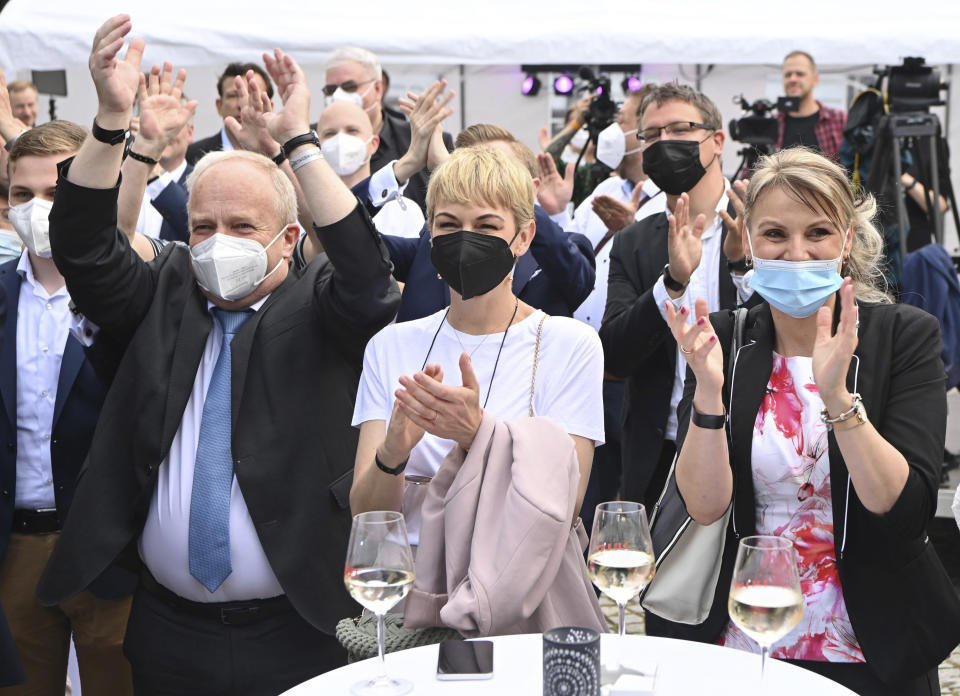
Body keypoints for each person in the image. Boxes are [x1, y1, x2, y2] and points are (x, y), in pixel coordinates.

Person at [36, 17, 399, 695]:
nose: (216, 242)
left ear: (288, 238)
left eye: (241, 228)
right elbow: (83, 248)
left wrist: (298, 141)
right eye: (203, 226)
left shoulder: (320, 305)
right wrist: (115, 123)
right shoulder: (165, 290)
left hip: (300, 627)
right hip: (169, 631)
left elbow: (367, 276)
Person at [668, 147, 960, 694]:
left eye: (818, 233)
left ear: (847, 240)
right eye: (775, 234)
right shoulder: (724, 339)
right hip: (748, 638)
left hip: (875, 644)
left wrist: (838, 400)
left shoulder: (904, 336)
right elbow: (705, 507)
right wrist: (708, 392)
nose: (797, 253)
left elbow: (906, 510)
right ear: (750, 242)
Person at [350, 144, 605, 632]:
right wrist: (395, 450)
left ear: (524, 236)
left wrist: (478, 433)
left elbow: (566, 502)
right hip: (409, 600)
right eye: (448, 225)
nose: (466, 239)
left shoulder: (569, 344)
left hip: (520, 597)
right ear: (429, 236)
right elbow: (367, 514)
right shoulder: (391, 346)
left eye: (487, 226)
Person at [1, 120, 146, 694]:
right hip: (15, 548)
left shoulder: (135, 291)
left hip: (107, 549)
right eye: (21, 194)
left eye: (56, 193)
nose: (37, 208)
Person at [600, 82, 753, 518]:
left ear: (716, 141)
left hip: (748, 448)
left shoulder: (763, 226)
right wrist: (673, 282)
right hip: (656, 455)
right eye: (651, 135)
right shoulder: (634, 243)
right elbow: (614, 354)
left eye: (681, 130)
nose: (665, 144)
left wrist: (744, 269)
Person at [551, 85, 666, 531]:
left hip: (627, 372)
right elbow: (573, 262)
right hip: (582, 367)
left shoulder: (667, 199)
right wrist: (558, 213)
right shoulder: (603, 186)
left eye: (626, 119)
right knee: (586, 483)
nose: (616, 128)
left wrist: (635, 232)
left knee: (629, 492)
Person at [324, 46, 453, 212]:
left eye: (349, 87)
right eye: (330, 90)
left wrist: (443, 169)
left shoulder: (422, 139)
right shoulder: (311, 143)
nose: (338, 96)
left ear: (378, 89)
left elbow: (459, 211)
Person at [118, 63, 195, 247]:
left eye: (172, 127)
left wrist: (151, 167)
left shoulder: (202, 181)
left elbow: (195, 228)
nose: (162, 133)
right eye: (151, 122)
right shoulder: (115, 179)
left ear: (190, 132)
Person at [185, 62, 273, 165]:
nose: (242, 105)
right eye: (233, 96)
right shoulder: (192, 155)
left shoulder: (284, 157)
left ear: (270, 106)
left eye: (253, 95)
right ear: (219, 105)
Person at [777, 51, 846, 161]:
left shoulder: (840, 120)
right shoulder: (773, 123)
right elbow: (750, 172)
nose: (792, 79)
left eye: (800, 74)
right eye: (787, 75)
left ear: (815, 79)